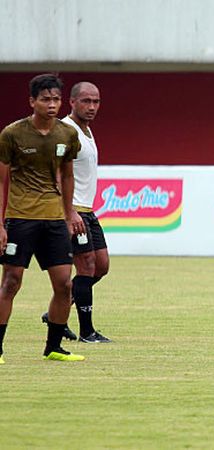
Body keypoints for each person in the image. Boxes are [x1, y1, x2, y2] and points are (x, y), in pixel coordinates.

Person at [0, 73, 86, 364]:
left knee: (64, 285)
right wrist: (0, 225)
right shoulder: (12, 134)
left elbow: (68, 175)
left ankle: (53, 347)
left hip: (53, 220)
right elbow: (2, 182)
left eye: (56, 99)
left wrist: (70, 211)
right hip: (20, 218)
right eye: (46, 99)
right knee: (11, 282)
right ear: (32, 101)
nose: (52, 105)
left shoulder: (67, 135)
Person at [40, 81, 111, 343]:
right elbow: (56, 173)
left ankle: (54, 313)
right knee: (86, 266)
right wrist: (68, 212)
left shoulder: (87, 132)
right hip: (72, 210)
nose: (92, 107)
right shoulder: (64, 130)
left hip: (87, 210)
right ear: (72, 102)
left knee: (101, 266)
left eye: (96, 101)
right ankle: (87, 332)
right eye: (86, 101)